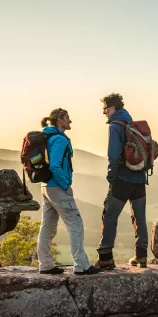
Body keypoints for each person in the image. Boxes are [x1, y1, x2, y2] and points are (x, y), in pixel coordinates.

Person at [37, 108, 98, 275]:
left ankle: (46, 264)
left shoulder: (47, 136)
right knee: (75, 224)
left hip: (46, 186)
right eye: (67, 118)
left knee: (47, 227)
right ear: (59, 120)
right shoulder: (59, 139)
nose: (70, 121)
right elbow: (55, 165)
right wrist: (65, 184)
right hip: (57, 187)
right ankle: (81, 265)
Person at [93, 93, 148, 271]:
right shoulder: (132, 123)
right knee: (139, 217)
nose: (104, 113)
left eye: (106, 108)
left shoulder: (116, 126)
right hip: (139, 178)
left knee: (109, 216)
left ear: (113, 108)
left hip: (122, 179)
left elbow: (114, 155)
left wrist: (111, 177)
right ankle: (141, 255)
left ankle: (105, 257)